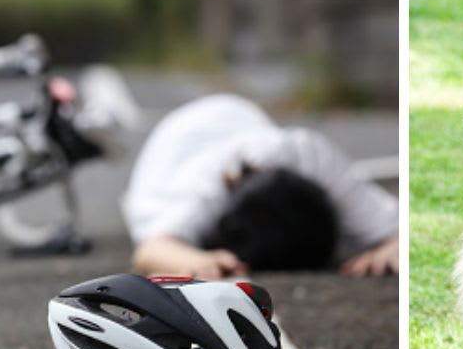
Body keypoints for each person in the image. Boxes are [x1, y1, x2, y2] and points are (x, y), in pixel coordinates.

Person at [122, 94, 398, 279]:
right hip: (170, 146)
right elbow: (150, 252)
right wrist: (198, 262)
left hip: (236, 113)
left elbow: (403, 232)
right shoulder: (196, 195)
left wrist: (394, 245)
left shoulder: (304, 153)